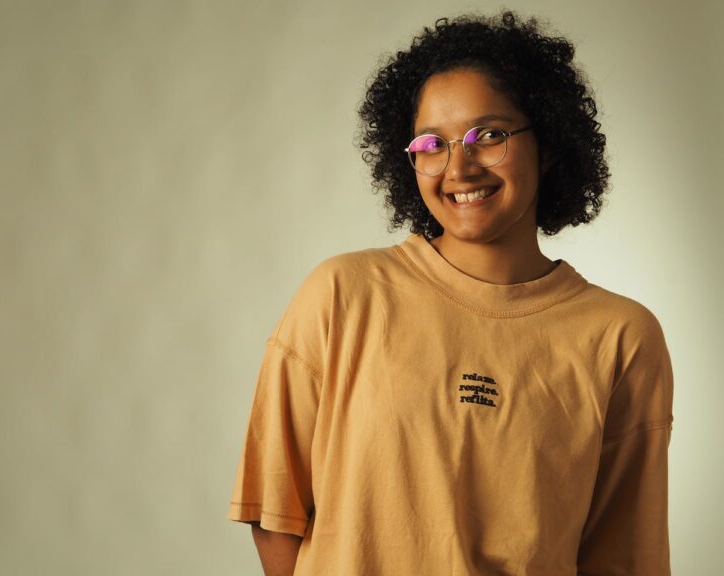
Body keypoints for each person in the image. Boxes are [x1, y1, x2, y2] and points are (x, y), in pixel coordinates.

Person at [228, 10, 674, 576]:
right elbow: (274, 514)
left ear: (551, 141)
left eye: (488, 135)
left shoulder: (621, 337)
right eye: (431, 142)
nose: (458, 166)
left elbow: (624, 557)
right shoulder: (341, 297)